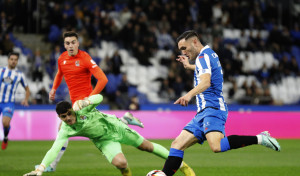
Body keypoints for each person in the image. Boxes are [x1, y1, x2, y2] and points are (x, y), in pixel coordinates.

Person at [161, 30, 281, 176]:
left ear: (194, 42)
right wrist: (188, 66)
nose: (183, 52)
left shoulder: (203, 58)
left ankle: (261, 138)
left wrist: (188, 95)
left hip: (213, 108)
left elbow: (205, 82)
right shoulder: (209, 54)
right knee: (177, 145)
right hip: (203, 111)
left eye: (184, 48)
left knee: (216, 146)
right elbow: (207, 70)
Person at [41, 31, 143, 172]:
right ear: (64, 45)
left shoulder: (85, 57)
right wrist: (53, 89)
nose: (70, 45)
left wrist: (89, 100)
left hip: (85, 103)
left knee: (62, 130)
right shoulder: (62, 59)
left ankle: (52, 165)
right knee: (100, 122)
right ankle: (125, 119)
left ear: (78, 43)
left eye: (73, 42)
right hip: (75, 102)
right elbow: (60, 73)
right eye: (67, 43)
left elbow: (103, 79)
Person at [24, 94, 195, 176]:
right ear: (59, 118)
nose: (68, 118)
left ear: (71, 110)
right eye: (63, 117)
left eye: (69, 114)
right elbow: (54, 149)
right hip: (103, 140)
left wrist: (87, 101)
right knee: (121, 163)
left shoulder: (82, 108)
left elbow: (100, 97)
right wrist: (40, 168)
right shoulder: (65, 130)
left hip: (115, 127)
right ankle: (127, 119)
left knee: (146, 147)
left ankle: (184, 167)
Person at [0, 52, 30, 150]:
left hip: (8, 103)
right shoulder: (1, 71)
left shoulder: (19, 75)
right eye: (11, 59)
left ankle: (5, 138)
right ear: (8, 60)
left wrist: (25, 99)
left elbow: (27, 89)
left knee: (5, 123)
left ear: (17, 61)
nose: (13, 61)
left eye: (15, 60)